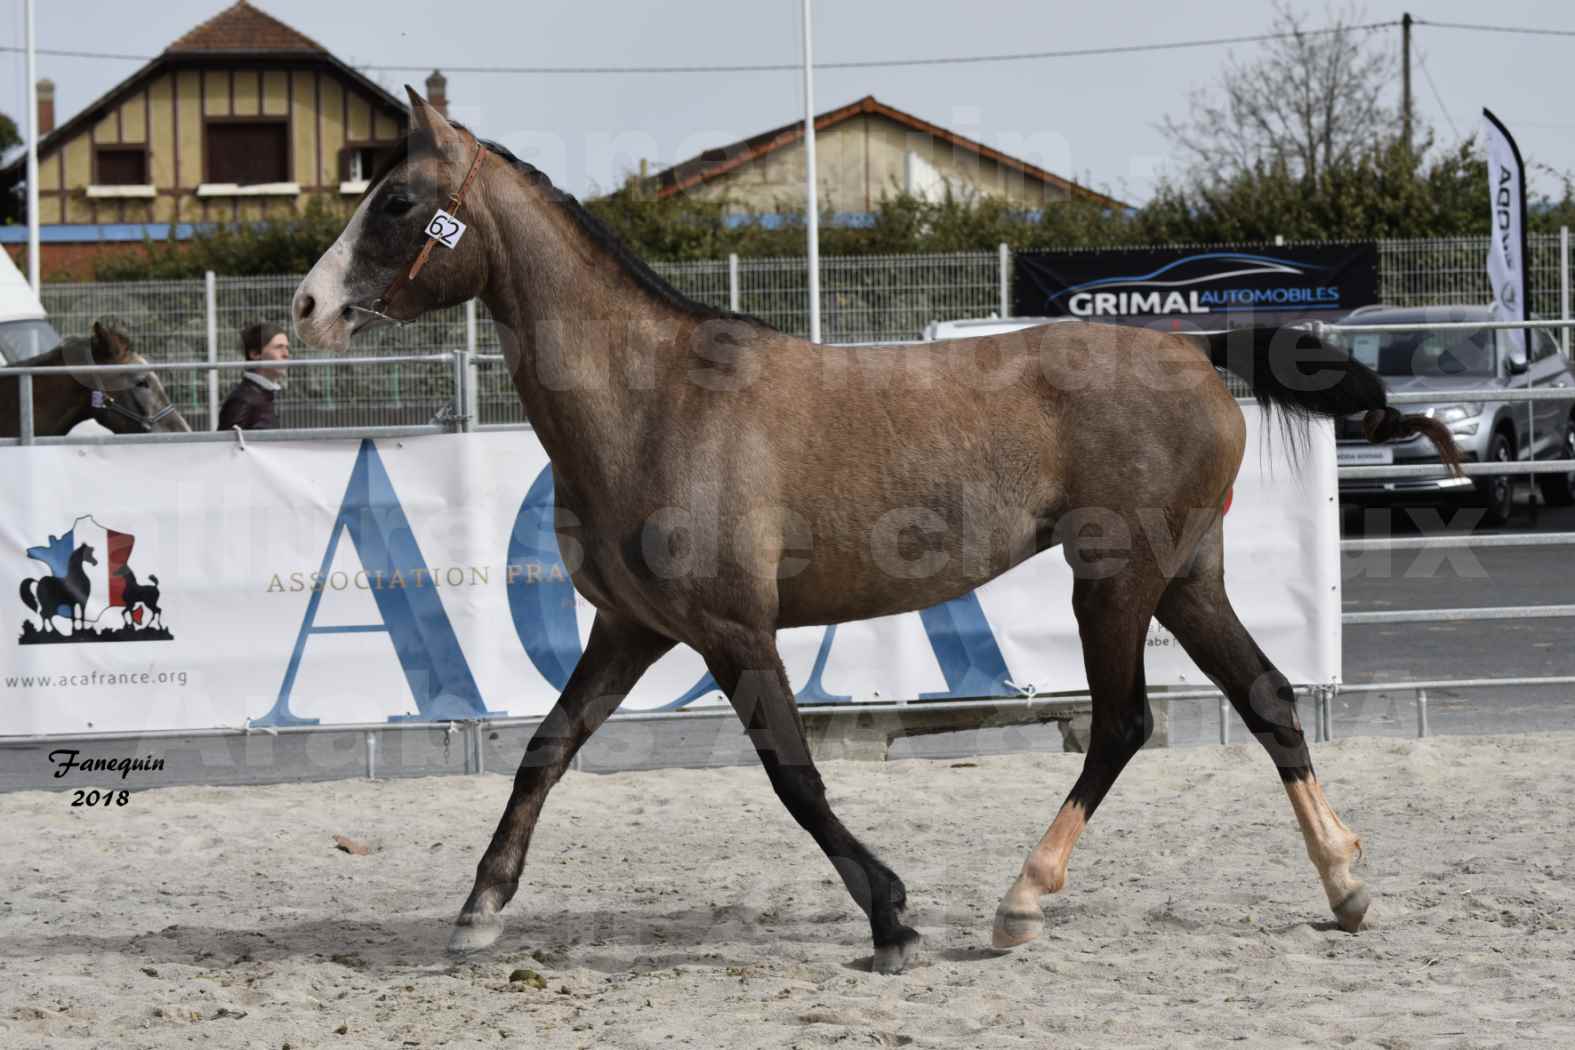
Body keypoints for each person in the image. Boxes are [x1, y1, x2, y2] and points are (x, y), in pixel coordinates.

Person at [218, 322, 289, 430]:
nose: (286, 354)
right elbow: (227, 445)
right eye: (278, 347)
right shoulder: (242, 400)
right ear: (255, 354)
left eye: (286, 347)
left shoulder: (265, 394)